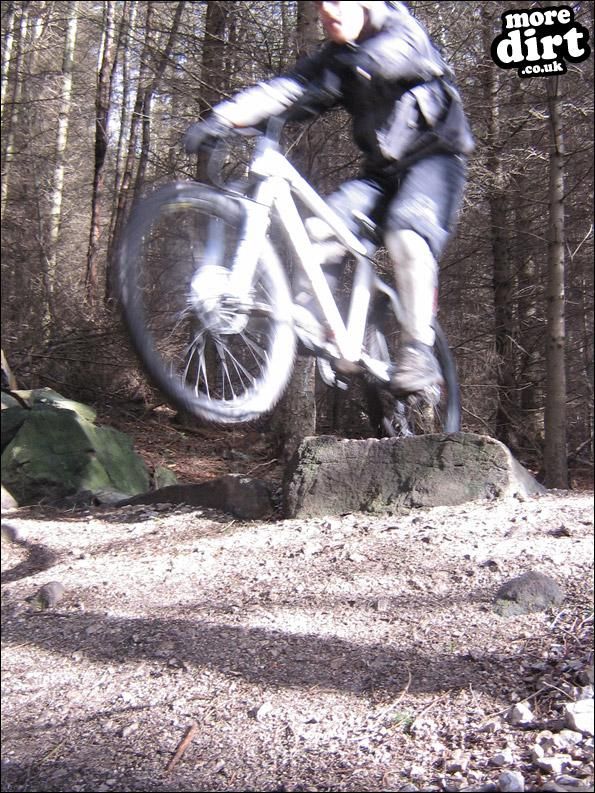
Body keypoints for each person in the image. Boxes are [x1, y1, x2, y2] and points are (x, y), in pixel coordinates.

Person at [186, 1, 474, 394]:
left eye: (338, 2)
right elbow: (284, 89)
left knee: (407, 236)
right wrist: (224, 117)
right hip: (381, 174)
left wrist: (330, 76)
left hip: (435, 160)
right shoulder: (338, 57)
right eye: (321, 5)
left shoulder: (401, 29)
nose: (327, 11)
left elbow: (389, 60)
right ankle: (314, 320)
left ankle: (419, 351)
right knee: (321, 227)